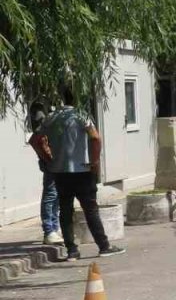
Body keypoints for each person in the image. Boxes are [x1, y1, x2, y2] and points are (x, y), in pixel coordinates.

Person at [28, 87, 125, 261]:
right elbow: (95, 137)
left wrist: (47, 158)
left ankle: (72, 250)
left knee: (65, 211)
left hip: (60, 172)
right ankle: (104, 246)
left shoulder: (51, 118)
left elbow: (35, 140)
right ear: (77, 98)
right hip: (82, 170)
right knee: (90, 210)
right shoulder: (81, 115)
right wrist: (95, 162)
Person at [29, 101, 61, 245]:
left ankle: (54, 227)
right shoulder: (40, 107)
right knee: (51, 194)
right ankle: (49, 230)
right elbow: (39, 132)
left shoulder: (46, 103)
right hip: (51, 162)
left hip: (53, 161)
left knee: (55, 195)